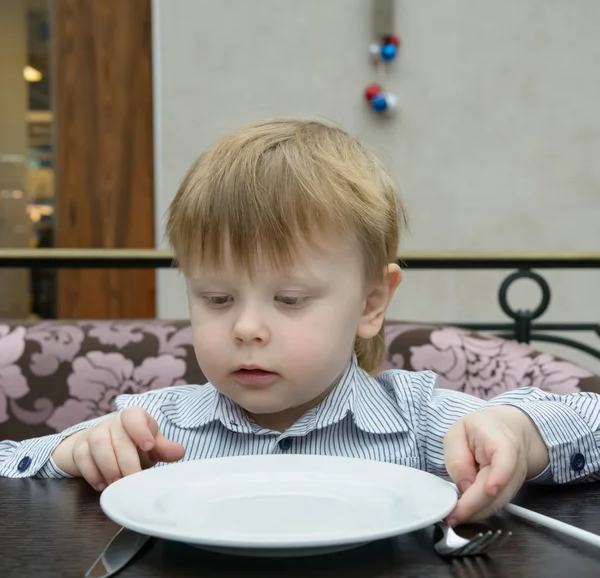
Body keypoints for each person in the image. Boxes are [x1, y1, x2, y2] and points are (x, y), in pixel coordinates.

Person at [1, 118, 599, 527]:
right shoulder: (155, 431)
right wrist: (72, 454)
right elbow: (10, 469)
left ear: (370, 304)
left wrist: (521, 431)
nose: (247, 328)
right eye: (216, 299)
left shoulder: (419, 423)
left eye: (289, 299)